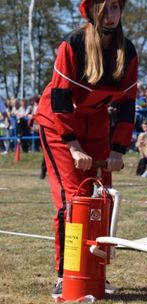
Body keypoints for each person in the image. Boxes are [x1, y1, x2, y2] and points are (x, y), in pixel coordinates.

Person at [34, 0, 137, 298]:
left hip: (97, 126)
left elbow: (128, 105)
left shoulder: (127, 51)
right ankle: (65, 275)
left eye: (116, 7)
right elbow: (61, 97)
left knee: (100, 199)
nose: (111, 14)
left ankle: (95, 272)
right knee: (74, 200)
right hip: (59, 126)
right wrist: (73, 145)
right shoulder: (73, 44)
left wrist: (118, 149)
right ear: (91, 11)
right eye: (105, 8)